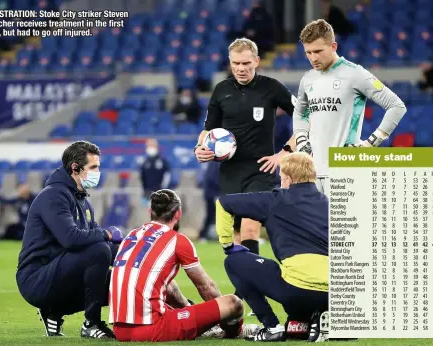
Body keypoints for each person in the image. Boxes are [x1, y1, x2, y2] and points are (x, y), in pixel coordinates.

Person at [109, 189, 258, 342]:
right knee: (234, 304)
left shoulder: (131, 235)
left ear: (150, 211)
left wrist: (187, 308)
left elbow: (170, 288)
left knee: (165, 290)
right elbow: (206, 287)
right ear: (178, 214)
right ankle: (235, 332)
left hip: (120, 330)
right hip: (152, 328)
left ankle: (197, 323)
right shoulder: (177, 240)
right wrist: (223, 315)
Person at [194, 37, 295, 258]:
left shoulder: (272, 87)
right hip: (230, 171)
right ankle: (246, 288)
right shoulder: (221, 90)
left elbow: (304, 118)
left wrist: (283, 154)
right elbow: (208, 129)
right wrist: (199, 148)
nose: (241, 69)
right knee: (237, 235)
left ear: (256, 61)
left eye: (246, 64)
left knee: (251, 229)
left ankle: (254, 289)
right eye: (236, 63)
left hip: (261, 170)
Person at [16, 141, 124, 339]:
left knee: (120, 281)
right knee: (98, 250)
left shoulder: (83, 201)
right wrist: (107, 234)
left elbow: (102, 244)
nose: (98, 172)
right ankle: (91, 324)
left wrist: (133, 253)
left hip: (60, 272)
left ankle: (54, 311)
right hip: (36, 277)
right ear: (75, 168)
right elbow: (71, 239)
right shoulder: (53, 196)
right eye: (93, 167)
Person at [215, 153, 329, 342]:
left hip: (296, 291)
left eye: (282, 177)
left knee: (234, 262)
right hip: (334, 294)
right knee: (297, 322)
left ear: (288, 179)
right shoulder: (327, 202)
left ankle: (272, 327)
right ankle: (313, 319)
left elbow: (223, 203)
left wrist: (228, 245)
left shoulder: (276, 200)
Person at [292, 19, 407, 196]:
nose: (313, 58)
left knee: (344, 225)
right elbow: (300, 113)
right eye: (308, 52)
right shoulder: (308, 79)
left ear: (333, 46)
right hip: (313, 173)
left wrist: (371, 143)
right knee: (314, 225)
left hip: (344, 171)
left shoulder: (355, 73)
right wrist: (301, 140)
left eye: (318, 51)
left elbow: (396, 106)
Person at [140, 138, 171, 205]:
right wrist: (144, 190)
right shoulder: (144, 162)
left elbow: (167, 176)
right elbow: (142, 177)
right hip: (147, 193)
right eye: (149, 146)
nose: (150, 148)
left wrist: (162, 189)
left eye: (152, 146)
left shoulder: (163, 162)